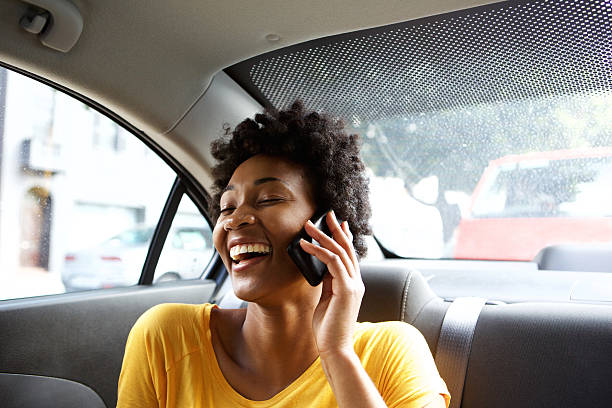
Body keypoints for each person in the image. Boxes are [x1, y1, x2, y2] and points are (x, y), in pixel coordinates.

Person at [117, 101, 450, 407]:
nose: (235, 219)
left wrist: (337, 354)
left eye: (269, 199)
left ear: (329, 228)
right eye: (227, 207)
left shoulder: (393, 351)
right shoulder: (164, 336)